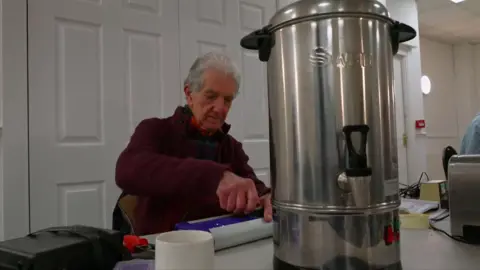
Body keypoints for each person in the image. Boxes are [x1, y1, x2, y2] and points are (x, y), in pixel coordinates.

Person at [115, 52, 272, 235]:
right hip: (164, 246)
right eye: (211, 96)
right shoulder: (156, 130)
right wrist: (216, 177)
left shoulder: (230, 146)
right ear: (189, 94)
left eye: (227, 100)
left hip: (216, 245)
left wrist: (265, 196)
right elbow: (128, 170)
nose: (220, 108)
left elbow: (252, 184)